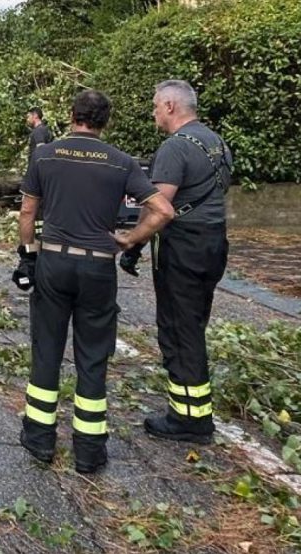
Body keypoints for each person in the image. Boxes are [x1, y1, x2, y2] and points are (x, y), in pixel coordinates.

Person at [15, 90, 174, 474]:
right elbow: (163, 209)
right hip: (98, 268)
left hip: (53, 261)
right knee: (92, 356)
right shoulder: (120, 162)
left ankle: (39, 440)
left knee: (47, 349)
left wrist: (27, 256)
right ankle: (89, 451)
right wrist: (131, 239)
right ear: (106, 121)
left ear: (72, 115)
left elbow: (27, 211)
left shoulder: (45, 154)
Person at [116, 80, 233, 444]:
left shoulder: (174, 148)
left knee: (178, 328)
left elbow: (160, 208)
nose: (152, 113)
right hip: (214, 242)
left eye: (154, 106)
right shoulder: (216, 143)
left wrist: (131, 242)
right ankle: (191, 409)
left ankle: (190, 419)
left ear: (170, 106)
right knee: (194, 322)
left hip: (182, 247)